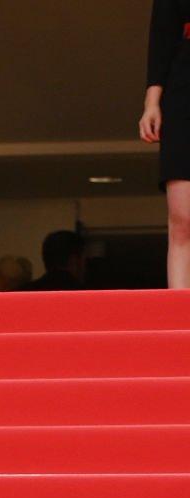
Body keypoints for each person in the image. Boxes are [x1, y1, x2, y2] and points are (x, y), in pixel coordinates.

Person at [143, 0, 190, 288]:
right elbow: (162, 34)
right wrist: (152, 103)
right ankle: (181, 320)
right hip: (184, 89)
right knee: (183, 217)